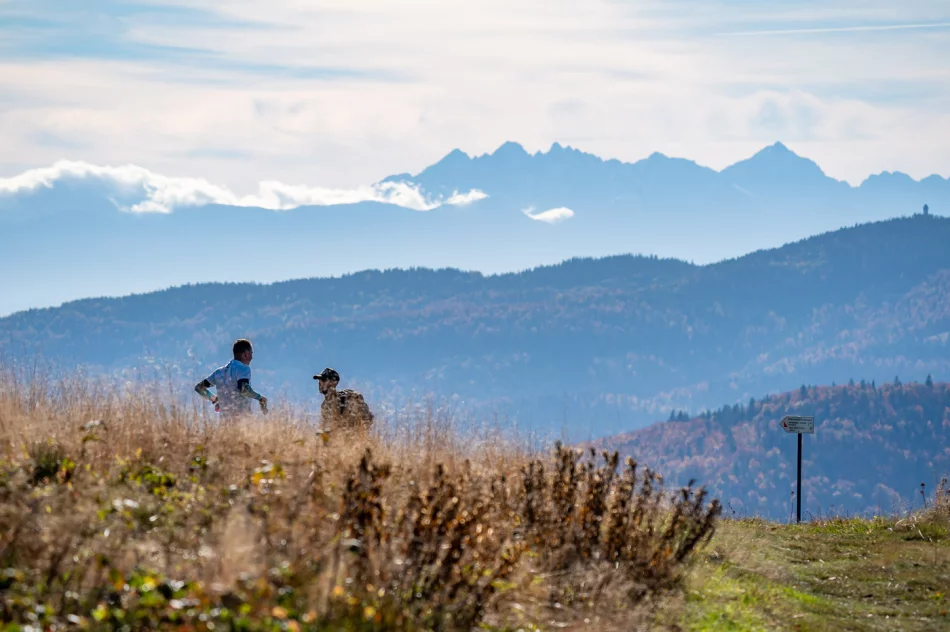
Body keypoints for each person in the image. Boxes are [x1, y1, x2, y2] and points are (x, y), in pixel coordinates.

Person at [195, 339, 268, 418]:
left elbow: (199, 388)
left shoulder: (219, 372)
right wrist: (260, 398)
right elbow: (244, 389)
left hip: (225, 424)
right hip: (243, 421)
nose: (252, 357)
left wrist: (215, 399)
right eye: (251, 353)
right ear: (246, 354)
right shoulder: (243, 368)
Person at [313, 367, 373, 431]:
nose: (320, 383)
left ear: (333, 382)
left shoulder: (347, 398)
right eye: (319, 380)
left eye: (324, 380)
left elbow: (368, 418)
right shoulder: (324, 406)